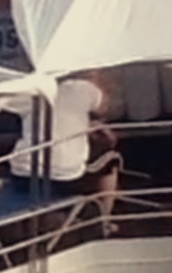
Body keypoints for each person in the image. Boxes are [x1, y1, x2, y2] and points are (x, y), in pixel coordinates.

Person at [14, 72, 119, 204]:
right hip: (66, 178)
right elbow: (105, 109)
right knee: (111, 157)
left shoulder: (28, 90)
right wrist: (99, 81)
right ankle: (105, 214)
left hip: (23, 174)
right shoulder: (84, 88)